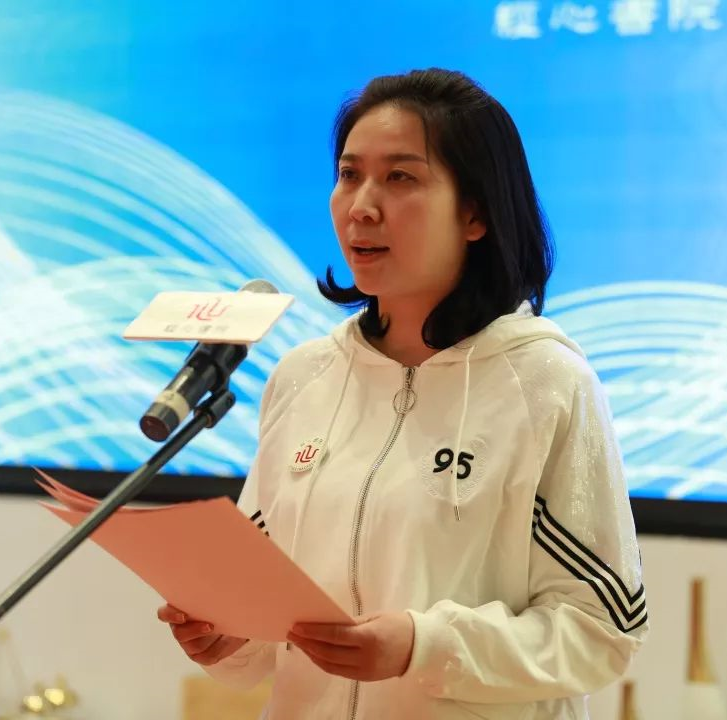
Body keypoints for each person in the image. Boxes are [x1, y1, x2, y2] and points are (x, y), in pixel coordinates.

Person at [158, 68, 648, 719]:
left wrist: (425, 646)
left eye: (400, 178)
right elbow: (263, 613)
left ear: (475, 213)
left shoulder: (547, 383)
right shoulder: (305, 376)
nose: (361, 205)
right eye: (349, 174)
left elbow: (601, 629)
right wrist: (225, 635)